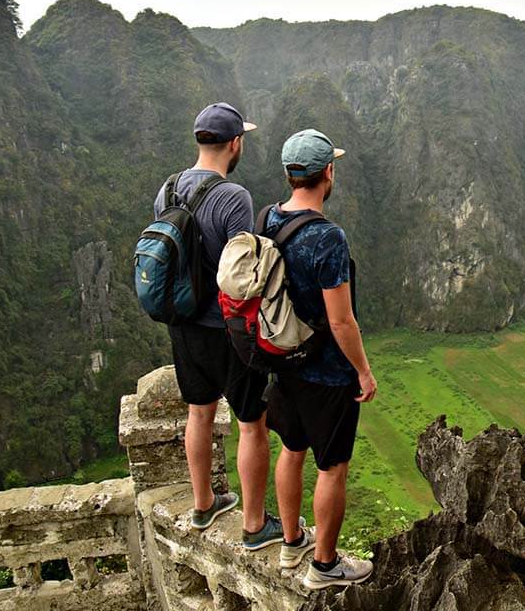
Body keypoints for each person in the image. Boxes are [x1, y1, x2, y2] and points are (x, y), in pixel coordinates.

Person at [154, 102, 283, 550]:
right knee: (252, 423)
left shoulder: (167, 190)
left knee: (199, 413)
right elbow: (241, 276)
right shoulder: (233, 197)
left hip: (182, 326)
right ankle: (253, 525)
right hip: (225, 331)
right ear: (235, 143)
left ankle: (204, 504)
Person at [262, 129, 378, 589]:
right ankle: (325, 565)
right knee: (332, 466)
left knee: (291, 450)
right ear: (328, 173)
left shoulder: (267, 218)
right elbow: (342, 322)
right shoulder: (328, 238)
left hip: (282, 363)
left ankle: (292, 543)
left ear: (290, 175)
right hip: (327, 374)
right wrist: (363, 371)